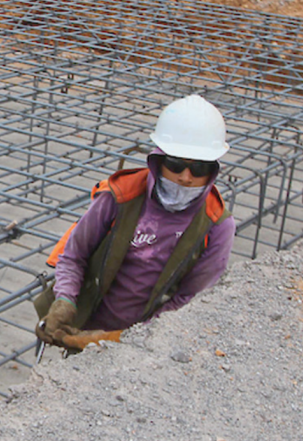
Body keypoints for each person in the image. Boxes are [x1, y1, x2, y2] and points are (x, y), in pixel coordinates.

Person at [34, 94, 236, 351]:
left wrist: (122, 341)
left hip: (147, 345)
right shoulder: (120, 196)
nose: (186, 177)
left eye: (199, 169)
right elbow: (75, 255)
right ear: (159, 161)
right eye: (176, 164)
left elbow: (189, 300)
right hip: (83, 321)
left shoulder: (216, 225)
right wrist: (65, 301)